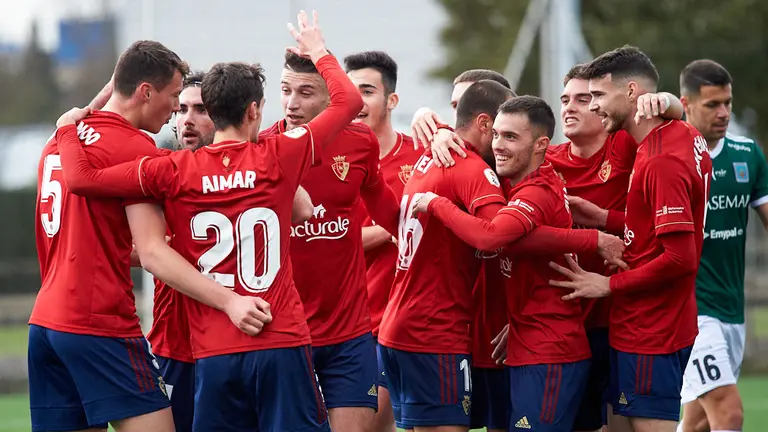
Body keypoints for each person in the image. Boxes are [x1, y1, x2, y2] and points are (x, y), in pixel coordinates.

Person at [55, 10, 361, 431]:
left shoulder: (172, 169)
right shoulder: (279, 154)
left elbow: (82, 179)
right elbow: (349, 102)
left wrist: (67, 128)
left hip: (215, 349)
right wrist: (318, 51)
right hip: (280, 338)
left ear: (209, 112)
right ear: (254, 110)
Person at [30, 39, 276, 432]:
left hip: (45, 324)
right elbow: (152, 253)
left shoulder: (60, 139)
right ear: (146, 92)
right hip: (97, 322)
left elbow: (93, 238)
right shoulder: (135, 149)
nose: (176, 109)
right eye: (175, 96)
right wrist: (231, 301)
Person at [413, 96, 602, 431]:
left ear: (541, 144)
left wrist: (436, 204)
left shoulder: (535, 192)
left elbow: (490, 236)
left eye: (510, 137)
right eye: (496, 134)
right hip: (526, 343)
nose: (498, 145)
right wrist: (437, 126)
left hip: (549, 351)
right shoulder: (518, 180)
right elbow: (525, 241)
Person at [548, 46, 712, 432]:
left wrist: (608, 285)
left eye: (598, 96)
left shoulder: (659, 159)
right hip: (652, 323)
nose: (593, 106)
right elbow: (656, 230)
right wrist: (604, 218)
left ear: (632, 92)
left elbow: (680, 258)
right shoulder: (682, 134)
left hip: (652, 329)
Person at [260, 42, 401, 432]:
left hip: (349, 333)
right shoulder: (264, 147)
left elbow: (392, 216)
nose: (291, 103)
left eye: (305, 92)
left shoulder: (359, 142)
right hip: (285, 331)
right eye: (286, 90)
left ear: (331, 96)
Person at [377, 79, 511, 432]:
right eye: (503, 131)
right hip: (434, 332)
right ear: (484, 123)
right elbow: (496, 237)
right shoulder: (472, 168)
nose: (504, 141)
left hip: (399, 326)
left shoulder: (428, 157)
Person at [678, 60, 768, 432]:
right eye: (712, 104)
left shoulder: (747, 154)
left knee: (698, 421)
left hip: (732, 309)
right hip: (691, 311)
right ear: (686, 104)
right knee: (729, 413)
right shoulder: (670, 156)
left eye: (727, 103)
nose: (724, 113)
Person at [344, 50, 422, 432]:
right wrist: (394, 228)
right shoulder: (332, 161)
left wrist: (435, 122)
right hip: (354, 324)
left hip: (411, 323)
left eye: (367, 91)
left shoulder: (421, 155)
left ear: (392, 100)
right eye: (349, 92)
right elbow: (334, 241)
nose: (357, 102)